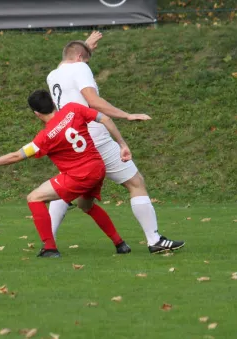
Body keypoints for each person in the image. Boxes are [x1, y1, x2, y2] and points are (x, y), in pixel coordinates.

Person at [45, 32, 185, 254]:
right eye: (87, 59)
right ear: (81, 58)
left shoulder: (53, 75)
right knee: (136, 183)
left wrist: (84, 47)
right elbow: (93, 101)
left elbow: (69, 60)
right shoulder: (80, 68)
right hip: (93, 135)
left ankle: (48, 243)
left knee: (67, 188)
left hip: (71, 140)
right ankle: (154, 239)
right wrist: (127, 115)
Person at [0, 89, 133, 258]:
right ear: (53, 102)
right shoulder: (73, 108)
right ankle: (120, 244)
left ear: (36, 113)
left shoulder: (45, 137)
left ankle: (49, 248)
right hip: (97, 168)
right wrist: (123, 145)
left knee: (34, 197)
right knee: (85, 205)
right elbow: (105, 118)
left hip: (79, 176)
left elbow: (16, 156)